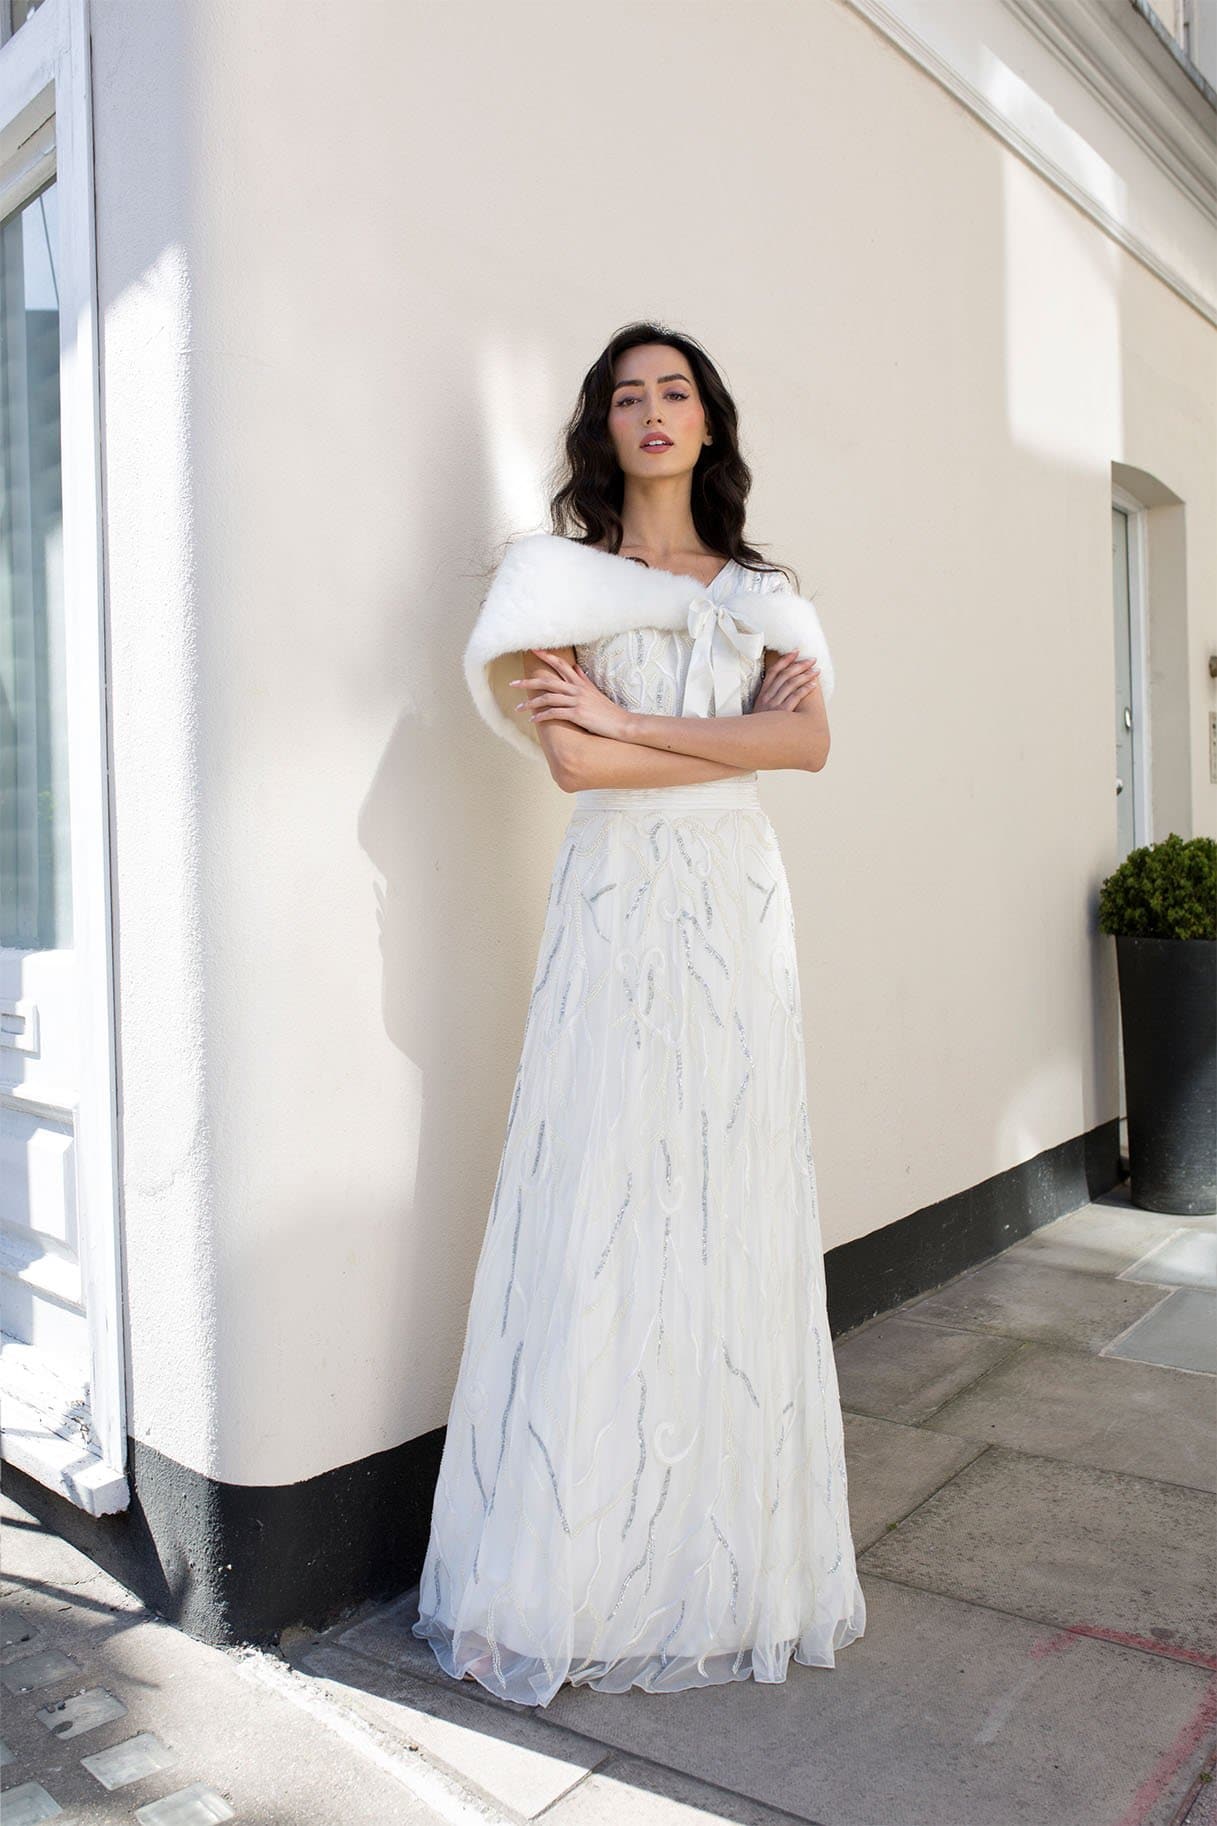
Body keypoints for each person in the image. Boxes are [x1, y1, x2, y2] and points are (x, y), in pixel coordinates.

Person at [411, 320, 867, 1705]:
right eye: (627, 396)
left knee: (727, 1196)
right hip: (616, 913)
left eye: (674, 391)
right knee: (604, 1195)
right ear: (601, 430)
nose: (652, 411)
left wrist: (634, 725)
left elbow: (809, 742)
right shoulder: (558, 581)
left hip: (735, 916)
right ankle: (575, 1563)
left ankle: (729, 1564)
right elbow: (565, 764)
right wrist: (676, 737)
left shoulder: (770, 598)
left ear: (709, 423)